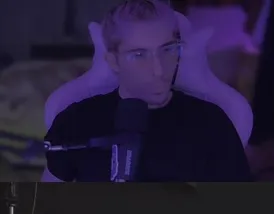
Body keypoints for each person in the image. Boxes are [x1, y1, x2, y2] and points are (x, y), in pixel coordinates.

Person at [42, 0, 251, 182]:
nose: (159, 70)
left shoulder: (212, 123)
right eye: (139, 55)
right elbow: (45, 205)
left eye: (168, 49)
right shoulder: (77, 121)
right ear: (113, 61)